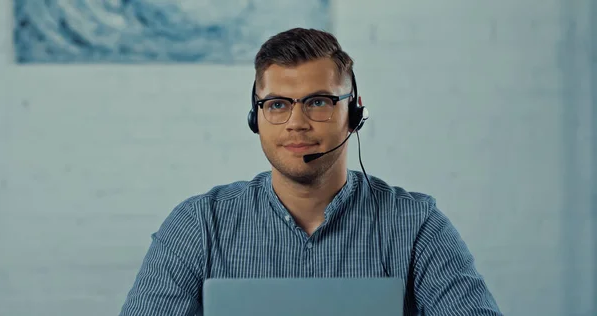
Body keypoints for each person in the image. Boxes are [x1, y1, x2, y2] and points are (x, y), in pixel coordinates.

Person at [119, 28, 502, 316]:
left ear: (354, 114)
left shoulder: (417, 223)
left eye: (318, 102)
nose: (296, 123)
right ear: (256, 117)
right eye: (278, 104)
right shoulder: (199, 223)